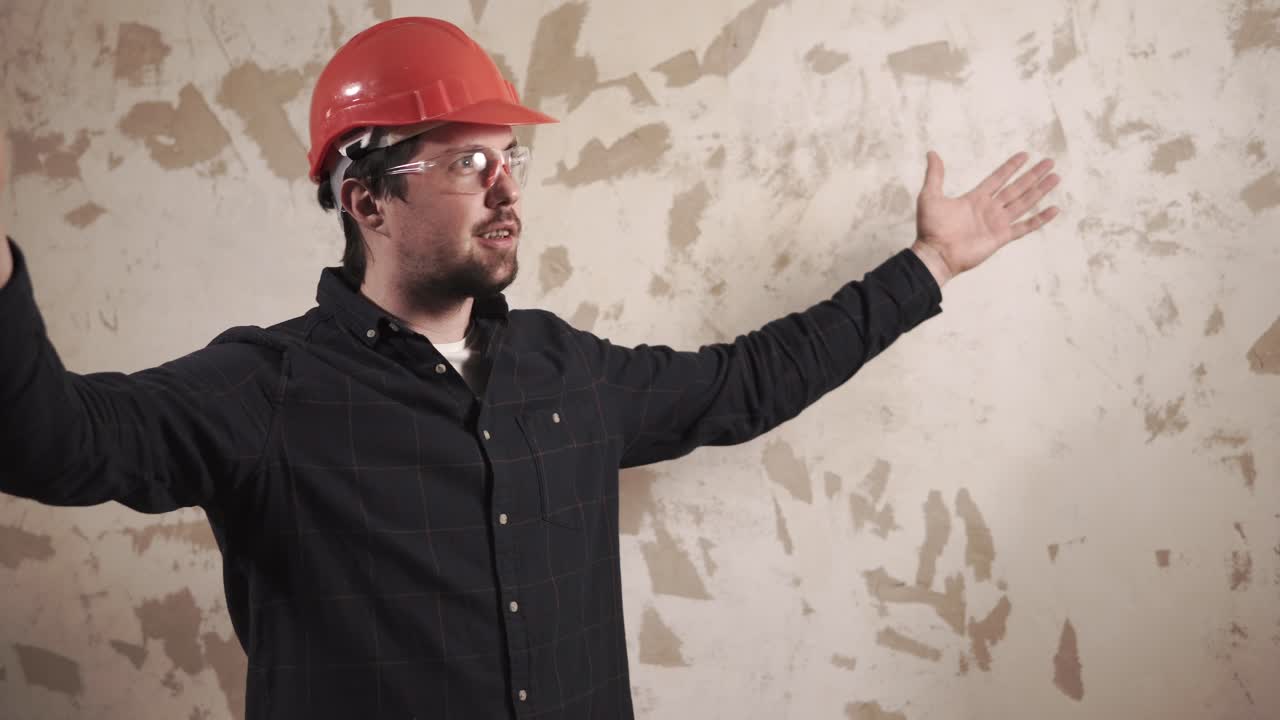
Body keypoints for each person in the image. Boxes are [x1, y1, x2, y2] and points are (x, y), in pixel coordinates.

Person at [0, 16, 1060, 720]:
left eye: (511, 158)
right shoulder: (264, 393)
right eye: (467, 161)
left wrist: (927, 265)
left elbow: (746, 383)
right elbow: (57, 442)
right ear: (366, 199)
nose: (506, 187)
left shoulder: (566, 369)